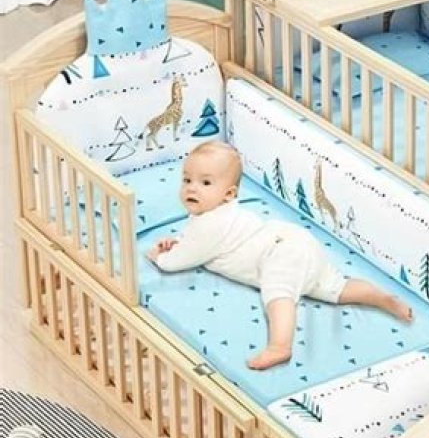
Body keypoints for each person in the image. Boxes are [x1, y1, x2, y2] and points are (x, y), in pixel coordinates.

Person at [146, 141, 413, 370]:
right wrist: (176, 242)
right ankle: (381, 298)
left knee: (278, 291)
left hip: (280, 251)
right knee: (335, 287)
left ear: (229, 194)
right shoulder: (222, 213)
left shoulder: (210, 225)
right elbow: (193, 242)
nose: (192, 188)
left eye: (205, 182)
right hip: (293, 240)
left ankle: (279, 346)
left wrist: (158, 256)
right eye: (187, 180)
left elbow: (177, 261)